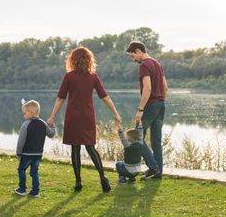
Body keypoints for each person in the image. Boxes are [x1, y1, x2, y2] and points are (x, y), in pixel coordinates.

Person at [47, 47, 122, 193]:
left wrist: (52, 117)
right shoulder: (93, 77)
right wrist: (116, 113)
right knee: (90, 146)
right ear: (89, 60)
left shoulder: (69, 77)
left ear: (72, 60)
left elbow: (60, 99)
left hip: (73, 117)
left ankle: (78, 182)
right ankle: (103, 178)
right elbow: (105, 97)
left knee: (75, 148)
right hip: (88, 116)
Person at [126, 41, 168, 180]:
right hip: (161, 104)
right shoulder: (157, 63)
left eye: (133, 56)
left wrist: (140, 109)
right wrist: (161, 101)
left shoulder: (145, 65)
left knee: (135, 137)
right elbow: (165, 87)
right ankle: (158, 172)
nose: (133, 60)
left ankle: (153, 167)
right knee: (156, 141)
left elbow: (147, 88)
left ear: (138, 51)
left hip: (150, 106)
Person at [14, 100, 56, 198]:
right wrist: (52, 126)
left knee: (21, 169)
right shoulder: (43, 124)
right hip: (38, 154)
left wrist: (18, 153)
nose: (24, 115)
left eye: (25, 113)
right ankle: (35, 191)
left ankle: (22, 189)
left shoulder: (26, 124)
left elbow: (21, 141)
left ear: (31, 113)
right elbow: (51, 134)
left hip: (26, 154)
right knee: (34, 172)